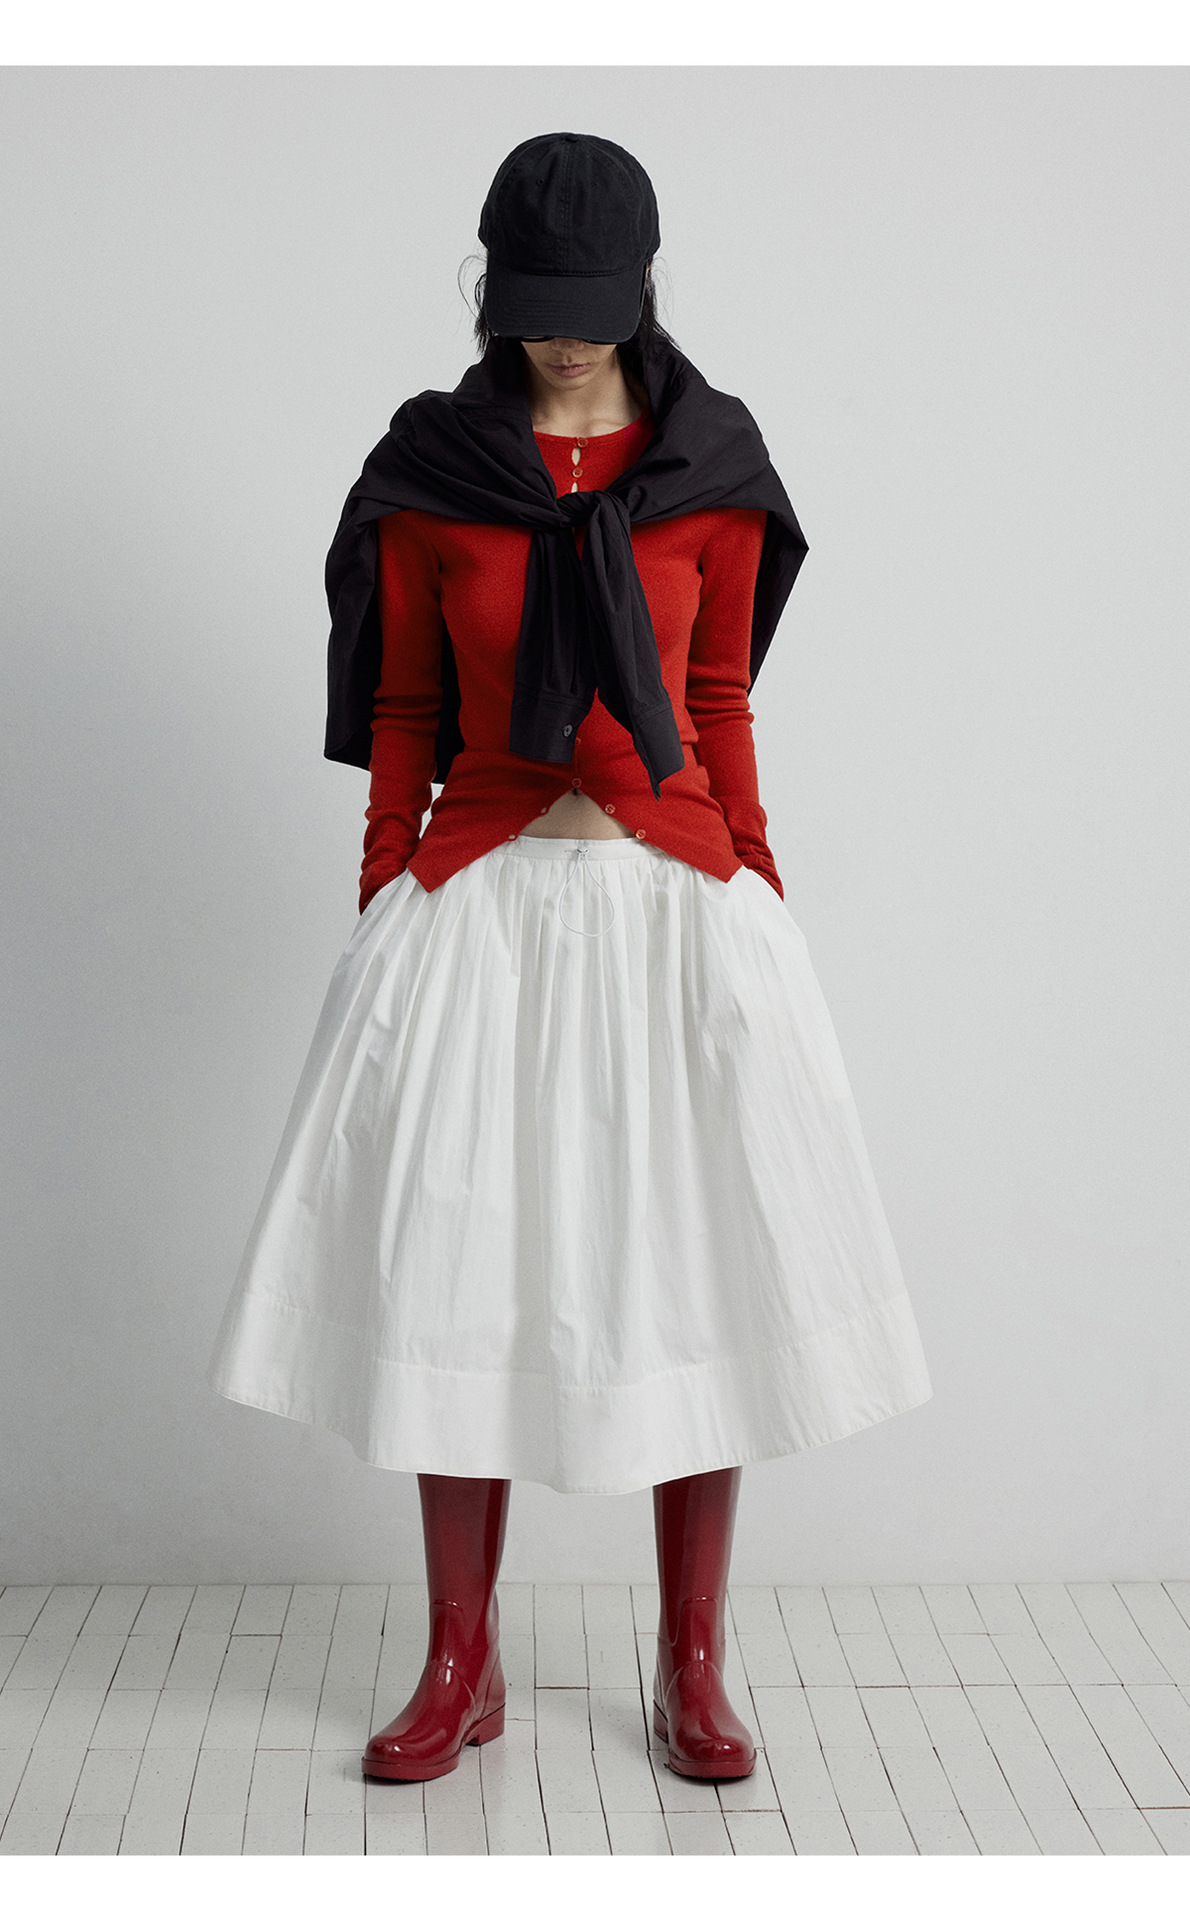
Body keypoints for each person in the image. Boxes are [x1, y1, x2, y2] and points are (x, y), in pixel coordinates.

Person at [206, 131, 933, 1788]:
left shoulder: (710, 470)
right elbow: (405, 708)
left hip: (667, 907)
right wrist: (386, 891)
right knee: (455, 1281)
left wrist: (754, 885)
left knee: (697, 1270)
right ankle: (458, 1661)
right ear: (491, 289)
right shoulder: (432, 474)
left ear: (642, 287)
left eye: (590, 303)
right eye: (535, 302)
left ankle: (693, 1664)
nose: (563, 333)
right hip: (484, 906)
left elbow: (720, 698)